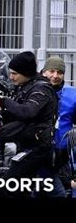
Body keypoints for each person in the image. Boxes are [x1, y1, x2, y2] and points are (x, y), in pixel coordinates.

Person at [0, 51, 58, 197]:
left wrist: (5, 102)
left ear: (25, 73)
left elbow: (28, 111)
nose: (11, 77)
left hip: (38, 148)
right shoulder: (25, 86)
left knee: (7, 188)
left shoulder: (41, 89)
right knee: (21, 191)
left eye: (14, 73)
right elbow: (17, 112)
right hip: (27, 145)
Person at [40, 56, 76, 197]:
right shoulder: (35, 91)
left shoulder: (71, 95)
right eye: (52, 71)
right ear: (44, 72)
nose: (55, 76)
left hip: (62, 154)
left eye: (59, 72)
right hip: (39, 152)